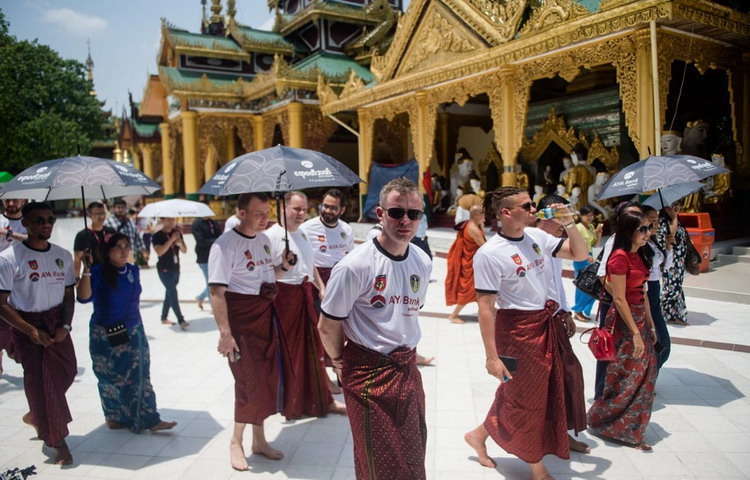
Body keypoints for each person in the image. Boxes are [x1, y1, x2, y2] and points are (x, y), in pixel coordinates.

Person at [464, 186, 588, 480]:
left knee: (533, 392)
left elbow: (580, 253)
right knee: (525, 398)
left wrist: (569, 223)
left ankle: (478, 435)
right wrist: (491, 357)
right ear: (506, 212)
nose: (534, 210)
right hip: (517, 331)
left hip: (545, 324)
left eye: (533, 205)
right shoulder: (490, 254)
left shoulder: (538, 237)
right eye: (527, 205)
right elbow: (485, 308)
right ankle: (536, 467)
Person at [318, 178, 432, 480]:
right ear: (380, 214)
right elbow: (328, 324)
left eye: (413, 213)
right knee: (377, 459)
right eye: (396, 212)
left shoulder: (421, 261)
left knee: (413, 450)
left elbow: (410, 313)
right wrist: (339, 362)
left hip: (406, 368)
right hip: (368, 371)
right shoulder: (354, 266)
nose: (405, 220)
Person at [208, 192, 292, 470]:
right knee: (247, 381)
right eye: (258, 213)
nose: (264, 218)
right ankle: (236, 442)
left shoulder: (265, 240)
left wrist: (283, 266)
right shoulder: (224, 245)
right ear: (241, 213)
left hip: (265, 316)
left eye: (267, 213)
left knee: (267, 378)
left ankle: (259, 439)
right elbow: (217, 292)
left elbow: (269, 275)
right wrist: (225, 334)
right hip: (241, 322)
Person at [0, 202, 77, 465]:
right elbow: (1, 304)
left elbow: (69, 294)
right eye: (39, 220)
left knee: (66, 372)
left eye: (50, 220)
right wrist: (31, 330)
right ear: (27, 224)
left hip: (56, 324)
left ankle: (37, 415)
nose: (46, 224)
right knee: (41, 384)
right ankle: (55, 440)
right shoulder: (10, 258)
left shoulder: (63, 256)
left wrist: (65, 326)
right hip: (27, 326)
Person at [76, 233, 177, 433]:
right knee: (109, 376)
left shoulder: (132, 270)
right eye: (118, 247)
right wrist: (86, 270)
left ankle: (149, 417)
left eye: (126, 246)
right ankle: (114, 416)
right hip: (105, 334)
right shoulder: (98, 272)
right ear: (108, 251)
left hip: (132, 330)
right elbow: (83, 297)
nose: (124, 251)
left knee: (139, 374)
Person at [266, 191, 344, 419]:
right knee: (292, 355)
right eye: (296, 209)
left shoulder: (301, 234)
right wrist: (283, 266)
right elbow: (265, 275)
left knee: (314, 351)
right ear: (282, 208)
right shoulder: (271, 236)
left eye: (304, 209)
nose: (301, 214)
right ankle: (295, 404)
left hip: (305, 294)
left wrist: (321, 286)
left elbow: (311, 265)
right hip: (284, 299)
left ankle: (323, 401)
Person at [587, 210, 658, 451]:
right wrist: (636, 332)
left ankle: (631, 429)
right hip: (624, 322)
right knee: (626, 375)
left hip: (639, 318)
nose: (648, 233)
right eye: (643, 229)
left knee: (644, 374)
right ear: (629, 231)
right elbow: (618, 298)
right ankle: (606, 421)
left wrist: (650, 323)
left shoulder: (640, 255)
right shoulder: (619, 257)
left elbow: (644, 293)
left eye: (649, 228)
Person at [593, 201, 642, 399]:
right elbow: (602, 274)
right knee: (608, 350)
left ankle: (623, 394)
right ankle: (602, 395)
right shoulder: (615, 242)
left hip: (637, 304)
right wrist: (620, 299)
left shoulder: (643, 242)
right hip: (616, 303)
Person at [300, 188, 354, 285]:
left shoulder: (347, 229)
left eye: (333, 208)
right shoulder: (306, 228)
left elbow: (350, 257)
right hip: (316, 280)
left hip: (340, 278)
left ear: (342, 210)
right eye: (325, 206)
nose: (328, 211)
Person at [643, 205, 673, 369]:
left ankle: (650, 376)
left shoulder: (652, 241)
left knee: (662, 342)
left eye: (657, 221)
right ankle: (648, 376)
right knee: (660, 341)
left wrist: (668, 246)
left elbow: (664, 267)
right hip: (646, 292)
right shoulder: (640, 245)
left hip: (654, 289)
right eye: (652, 220)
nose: (656, 224)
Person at [445, 205, 486, 324]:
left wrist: (482, 225)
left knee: (479, 290)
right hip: (470, 265)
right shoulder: (473, 229)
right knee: (468, 290)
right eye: (483, 214)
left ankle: (484, 311)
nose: (485, 216)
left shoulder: (471, 224)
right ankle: (453, 315)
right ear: (476, 215)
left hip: (472, 263)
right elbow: (484, 247)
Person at [0, 198, 27, 374]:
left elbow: (33, 238)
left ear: (23, 200)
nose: (11, 203)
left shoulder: (28, 220)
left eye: (15, 200)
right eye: (7, 200)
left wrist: (9, 234)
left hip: (20, 280)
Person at [152, 217, 188, 329]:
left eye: (173, 219)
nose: (172, 222)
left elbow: (185, 250)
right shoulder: (157, 236)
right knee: (173, 292)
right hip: (164, 269)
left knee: (169, 292)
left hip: (176, 267)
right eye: (168, 220)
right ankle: (180, 319)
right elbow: (159, 251)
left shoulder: (177, 233)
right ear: (162, 221)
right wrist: (171, 240)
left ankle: (163, 317)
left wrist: (180, 243)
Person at [656, 203, 689, 325]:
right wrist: (674, 217)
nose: (675, 208)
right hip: (670, 262)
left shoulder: (676, 221)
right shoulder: (664, 223)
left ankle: (676, 314)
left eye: (677, 205)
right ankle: (662, 313)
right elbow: (671, 236)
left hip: (679, 261)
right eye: (672, 206)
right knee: (671, 288)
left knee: (677, 287)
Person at [571, 206, 603, 322]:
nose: (590, 218)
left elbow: (595, 244)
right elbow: (573, 244)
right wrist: (586, 256)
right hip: (581, 257)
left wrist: (598, 234)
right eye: (587, 215)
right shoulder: (578, 228)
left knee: (592, 284)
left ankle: (584, 309)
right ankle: (578, 310)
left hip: (590, 257)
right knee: (582, 285)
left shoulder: (590, 227)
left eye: (591, 215)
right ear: (581, 216)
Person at [73, 202, 115, 280]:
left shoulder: (111, 231)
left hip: (111, 273)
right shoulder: (82, 235)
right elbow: (77, 259)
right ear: (89, 215)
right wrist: (76, 278)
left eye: (103, 213)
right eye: (97, 214)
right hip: (92, 275)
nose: (101, 216)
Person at [192, 215, 221, 310]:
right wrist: (216, 240)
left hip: (215, 255)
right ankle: (214, 306)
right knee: (211, 283)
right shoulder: (196, 224)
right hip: (204, 257)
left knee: (215, 282)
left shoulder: (213, 222)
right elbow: (201, 241)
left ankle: (200, 297)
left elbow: (220, 234)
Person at [105, 199, 147, 263]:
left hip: (129, 255)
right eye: (118, 207)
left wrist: (143, 250)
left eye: (122, 207)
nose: (120, 210)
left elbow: (137, 236)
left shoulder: (130, 221)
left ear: (126, 209)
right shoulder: (108, 222)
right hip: (115, 256)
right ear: (114, 209)